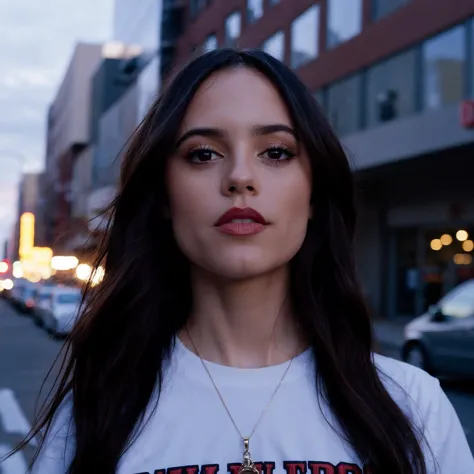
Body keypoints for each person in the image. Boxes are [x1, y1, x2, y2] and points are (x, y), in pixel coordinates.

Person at [11, 49, 474, 474]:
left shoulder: (412, 406)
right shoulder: (95, 414)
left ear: (313, 193)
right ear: (165, 197)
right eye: (203, 154)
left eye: (275, 152)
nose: (239, 177)